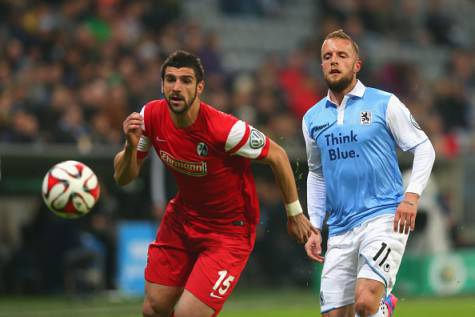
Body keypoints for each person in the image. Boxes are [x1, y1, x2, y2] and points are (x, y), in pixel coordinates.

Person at [113, 50, 316, 317]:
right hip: (182, 221)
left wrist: (295, 213)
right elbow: (123, 176)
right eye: (170, 80)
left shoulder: (224, 130)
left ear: (199, 87)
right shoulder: (150, 116)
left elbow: (277, 155)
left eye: (185, 80)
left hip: (228, 233)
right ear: (162, 85)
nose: (176, 87)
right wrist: (130, 146)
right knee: (154, 308)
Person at [302, 30, 436, 317]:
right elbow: (316, 173)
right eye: (327, 56)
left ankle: (382, 307)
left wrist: (411, 197)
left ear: (357, 65)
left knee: (365, 303)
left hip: (385, 217)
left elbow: (425, 148)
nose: (334, 61)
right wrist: (315, 225)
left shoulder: (383, 103)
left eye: (342, 55)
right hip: (339, 228)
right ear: (321, 65)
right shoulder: (312, 118)